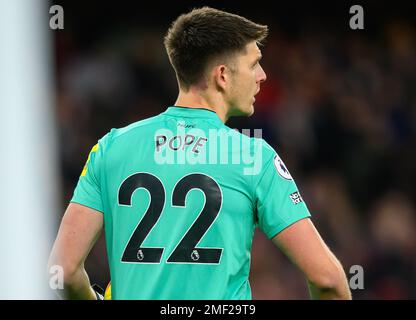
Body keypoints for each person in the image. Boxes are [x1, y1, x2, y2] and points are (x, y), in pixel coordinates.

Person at [48, 6, 351, 300]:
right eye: (254, 63)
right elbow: (327, 280)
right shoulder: (252, 157)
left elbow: (64, 270)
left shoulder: (111, 148)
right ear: (222, 75)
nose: (263, 76)